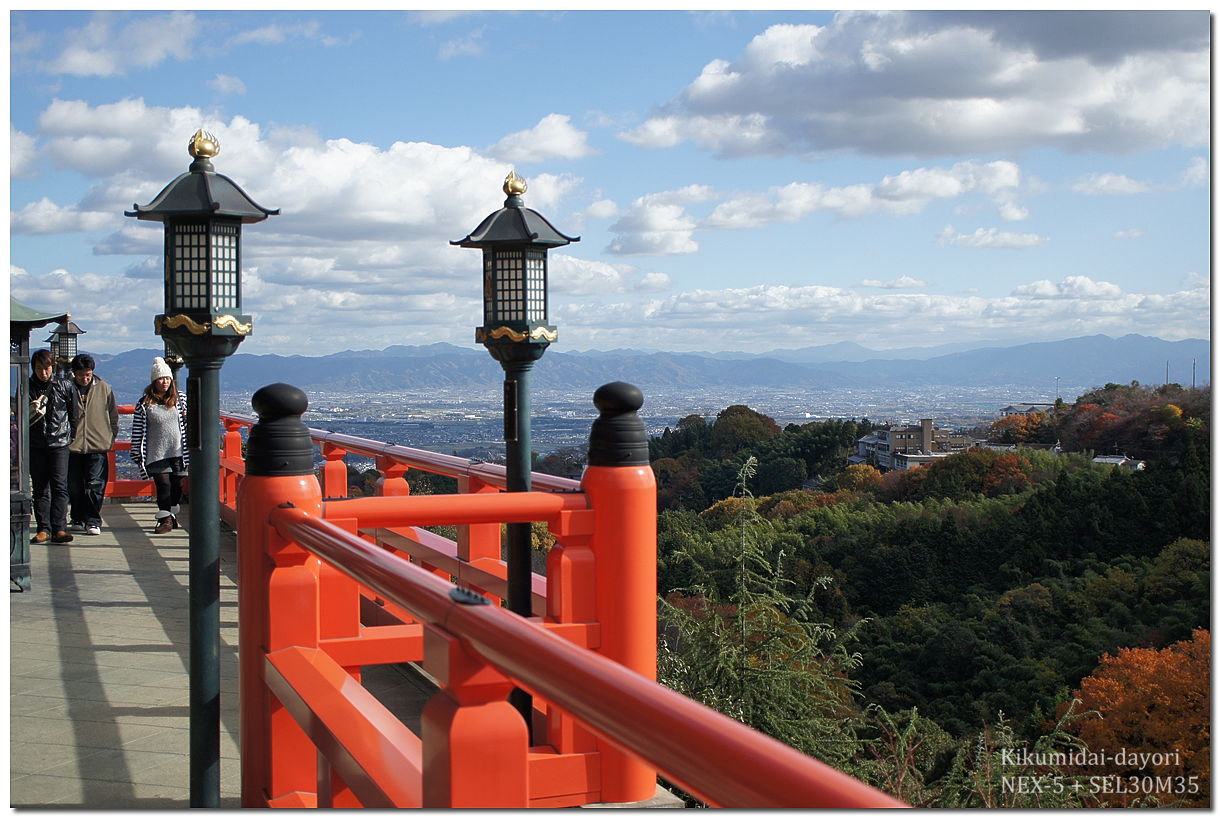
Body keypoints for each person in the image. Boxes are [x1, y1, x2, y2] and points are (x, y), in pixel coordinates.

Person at [131, 357, 189, 535]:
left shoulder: (181, 399)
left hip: (178, 450)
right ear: (154, 381)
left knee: (177, 484)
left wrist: (189, 417)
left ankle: (171, 514)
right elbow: (138, 429)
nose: (164, 382)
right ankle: (165, 520)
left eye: (167, 378)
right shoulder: (144, 403)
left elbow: (192, 422)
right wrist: (136, 451)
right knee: (163, 484)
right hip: (156, 451)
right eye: (160, 379)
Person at [29, 349, 78, 544]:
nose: (43, 372)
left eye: (47, 368)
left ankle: (59, 528)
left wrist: (69, 435)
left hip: (59, 442)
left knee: (60, 486)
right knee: (40, 488)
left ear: (53, 367)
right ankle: (43, 528)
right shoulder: (28, 386)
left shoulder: (64, 385)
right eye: (39, 368)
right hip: (36, 443)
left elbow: (73, 413)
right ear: (34, 368)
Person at [68, 353, 119, 536]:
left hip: (97, 443)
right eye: (81, 374)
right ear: (74, 373)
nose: (85, 378)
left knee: (95, 484)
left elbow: (113, 415)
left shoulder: (104, 388)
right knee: (73, 485)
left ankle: (92, 520)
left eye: (88, 374)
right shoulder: (66, 388)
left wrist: (110, 437)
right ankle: (77, 517)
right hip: (72, 445)